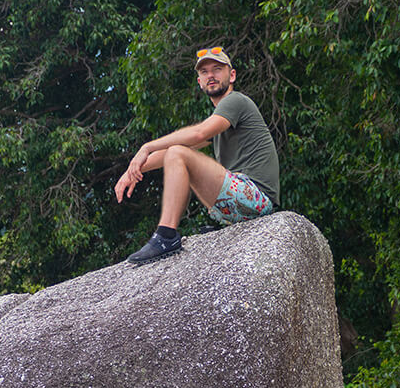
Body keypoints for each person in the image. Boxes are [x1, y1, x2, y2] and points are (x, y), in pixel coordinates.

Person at [114, 47, 280, 264]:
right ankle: (167, 235)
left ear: (232, 75)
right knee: (178, 153)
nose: (210, 75)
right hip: (237, 207)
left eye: (217, 69)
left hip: (257, 197)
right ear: (199, 81)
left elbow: (197, 133)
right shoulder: (221, 119)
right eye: (204, 72)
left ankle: (165, 236)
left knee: (178, 153)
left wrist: (146, 147)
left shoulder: (236, 101)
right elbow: (181, 147)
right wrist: (133, 170)